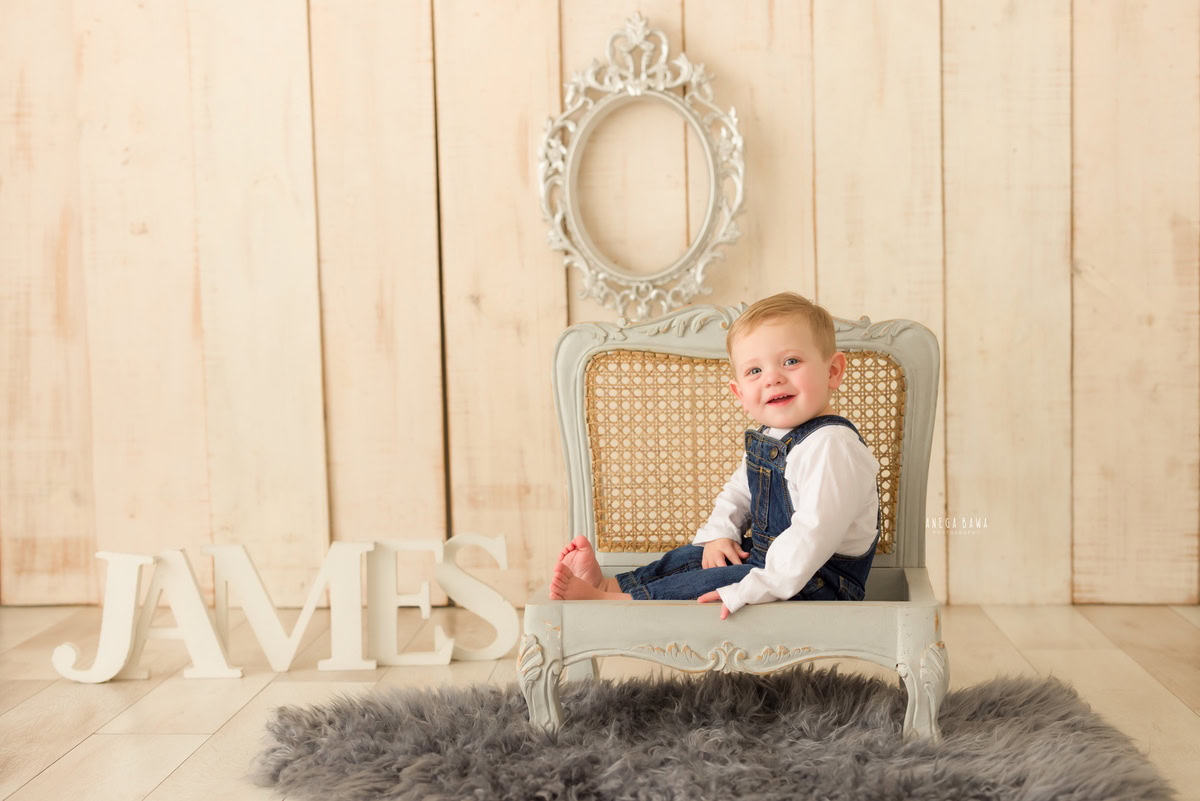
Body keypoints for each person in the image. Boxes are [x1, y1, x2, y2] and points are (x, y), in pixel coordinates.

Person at [548, 291, 881, 619]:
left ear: (832, 371)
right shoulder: (773, 436)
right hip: (771, 560)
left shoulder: (833, 445)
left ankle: (616, 602)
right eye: (754, 371)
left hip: (816, 582)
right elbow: (739, 493)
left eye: (791, 361)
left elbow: (813, 535)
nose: (773, 378)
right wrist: (721, 534)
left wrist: (750, 588)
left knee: (715, 583)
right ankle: (611, 586)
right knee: (697, 558)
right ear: (740, 394)